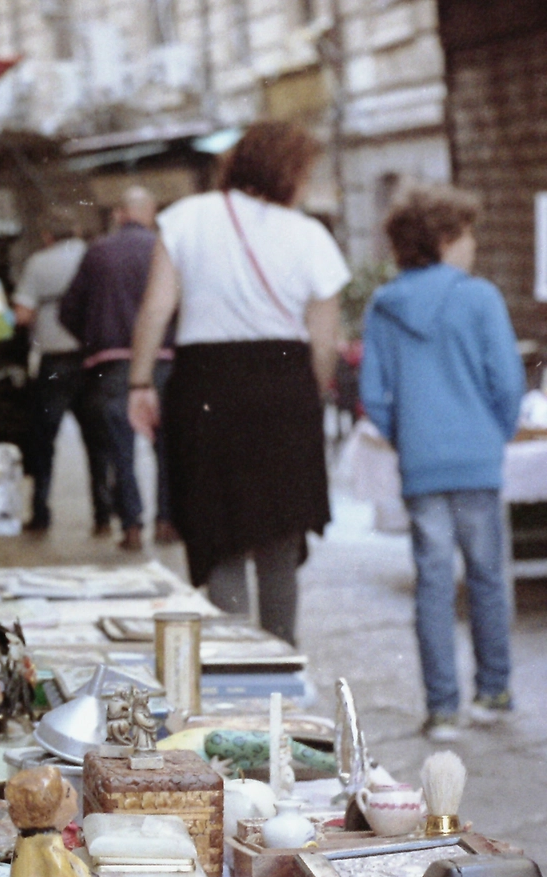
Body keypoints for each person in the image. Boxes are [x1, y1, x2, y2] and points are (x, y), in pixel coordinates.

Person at [127, 121, 349, 646]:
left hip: (204, 387)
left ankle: (231, 667)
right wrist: (309, 395)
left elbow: (156, 309)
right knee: (278, 540)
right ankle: (281, 663)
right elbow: (324, 342)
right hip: (284, 388)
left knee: (217, 533)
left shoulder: (185, 218)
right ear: (287, 172)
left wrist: (140, 383)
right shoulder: (310, 235)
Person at [359, 183, 524, 742]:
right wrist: (492, 434)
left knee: (432, 583)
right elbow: (507, 381)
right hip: (476, 459)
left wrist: (410, 437)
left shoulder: (385, 304)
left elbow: (375, 394)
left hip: (423, 465)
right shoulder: (479, 298)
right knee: (487, 576)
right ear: (448, 238)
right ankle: (494, 693)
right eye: (469, 232)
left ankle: (443, 709)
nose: (473, 243)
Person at [60, 186, 178, 551]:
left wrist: (94, 340)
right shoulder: (166, 248)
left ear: (119, 214)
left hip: (111, 364)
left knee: (118, 448)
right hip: (162, 359)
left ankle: (130, 526)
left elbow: (68, 309)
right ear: (151, 211)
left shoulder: (98, 252)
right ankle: (166, 521)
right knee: (166, 445)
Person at [14, 210, 114, 534]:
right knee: (98, 441)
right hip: (91, 360)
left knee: (44, 441)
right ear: (76, 229)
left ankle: (41, 513)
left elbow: (23, 315)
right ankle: (103, 515)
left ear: (47, 236)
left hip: (54, 362)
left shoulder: (38, 263)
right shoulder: (93, 257)